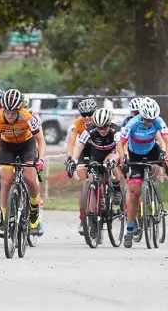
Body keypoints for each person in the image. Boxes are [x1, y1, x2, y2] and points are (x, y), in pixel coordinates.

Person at [0, 88, 46, 236]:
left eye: (13, 112)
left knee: (29, 177)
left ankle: (34, 208)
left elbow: (40, 140)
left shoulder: (27, 117)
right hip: (6, 146)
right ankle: (5, 218)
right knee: (6, 181)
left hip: (26, 145)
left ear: (19, 109)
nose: (9, 115)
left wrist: (40, 159)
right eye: (6, 111)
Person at [118, 97, 168, 248]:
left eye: (152, 119)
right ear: (141, 115)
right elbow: (120, 144)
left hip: (152, 150)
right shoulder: (132, 123)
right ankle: (129, 230)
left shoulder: (159, 121)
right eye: (146, 119)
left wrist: (166, 154)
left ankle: (156, 196)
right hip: (135, 155)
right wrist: (123, 157)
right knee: (134, 193)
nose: (149, 122)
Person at [66, 108, 125, 231]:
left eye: (104, 127)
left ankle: (117, 189)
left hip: (112, 153)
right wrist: (73, 160)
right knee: (92, 181)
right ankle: (92, 218)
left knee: (110, 162)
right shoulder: (89, 131)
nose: (102, 130)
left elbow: (120, 148)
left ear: (109, 124)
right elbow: (79, 145)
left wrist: (122, 158)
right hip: (96, 155)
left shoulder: (116, 131)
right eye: (99, 128)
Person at [65, 98, 97, 234]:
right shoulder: (78, 123)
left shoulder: (101, 119)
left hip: (100, 149)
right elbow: (72, 142)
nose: (87, 117)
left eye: (90, 114)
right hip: (85, 150)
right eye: (84, 115)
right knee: (86, 184)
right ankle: (84, 218)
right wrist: (70, 159)